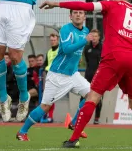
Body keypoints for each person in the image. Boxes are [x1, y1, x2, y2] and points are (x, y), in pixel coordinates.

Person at [40, 0, 132, 149]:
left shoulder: (112, 5)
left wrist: (57, 4)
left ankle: (74, 139)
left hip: (114, 57)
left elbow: (84, 6)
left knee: (93, 97)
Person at [17, 10, 92, 141]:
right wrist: (84, 41)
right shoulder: (65, 29)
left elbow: (77, 51)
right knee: (45, 107)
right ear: (70, 16)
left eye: (81, 13)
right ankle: (22, 132)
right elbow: (67, 49)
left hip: (73, 74)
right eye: (75, 13)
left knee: (92, 95)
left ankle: (74, 123)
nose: (78, 15)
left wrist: (78, 57)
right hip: (57, 75)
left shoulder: (86, 30)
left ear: (85, 16)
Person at [83, 29, 103, 124]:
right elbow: (87, 60)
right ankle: (81, 117)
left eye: (96, 36)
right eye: (92, 36)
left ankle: (97, 118)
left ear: (99, 37)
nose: (94, 38)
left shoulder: (102, 48)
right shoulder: (87, 48)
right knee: (84, 97)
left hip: (99, 77)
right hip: (88, 75)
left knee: (97, 98)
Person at [41, 33, 59, 123]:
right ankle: (45, 115)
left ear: (57, 40)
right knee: (47, 96)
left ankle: (50, 116)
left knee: (51, 97)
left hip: (56, 75)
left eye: (54, 40)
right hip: (48, 75)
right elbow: (46, 63)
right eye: (51, 40)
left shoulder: (60, 50)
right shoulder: (49, 51)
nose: (52, 42)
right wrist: (43, 67)